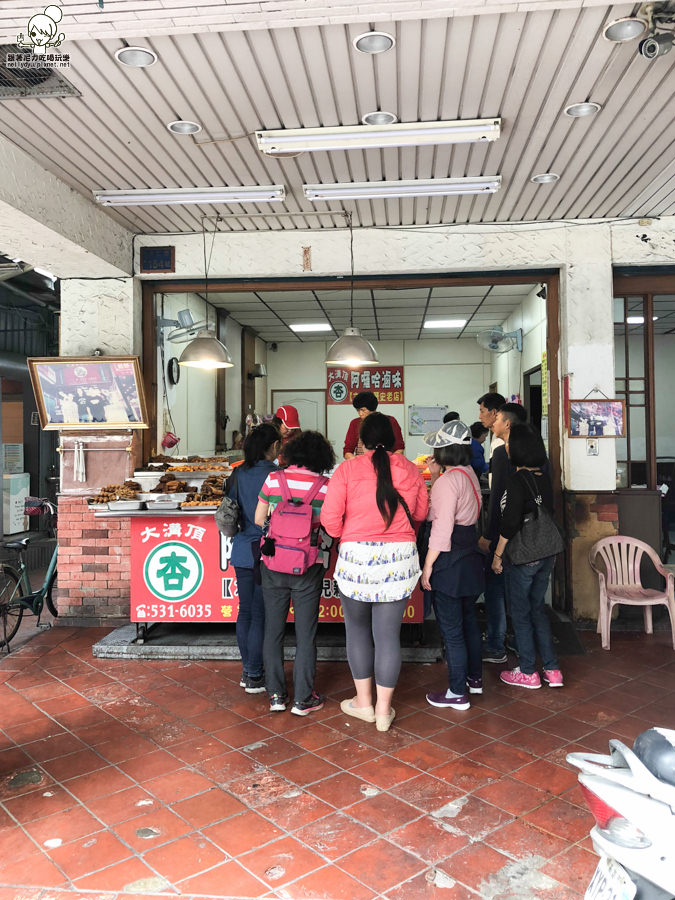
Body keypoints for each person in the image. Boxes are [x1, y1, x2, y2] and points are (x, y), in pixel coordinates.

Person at [321, 413, 428, 732]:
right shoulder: (410, 469)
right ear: (395, 441)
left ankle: (363, 703)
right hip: (398, 560)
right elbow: (422, 513)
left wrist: (348, 533)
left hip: (356, 559)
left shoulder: (347, 469)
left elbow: (329, 518)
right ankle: (383, 711)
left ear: (360, 441)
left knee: (356, 631)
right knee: (387, 636)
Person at [255, 430, 336, 716]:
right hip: (308, 566)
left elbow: (258, 518)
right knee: (306, 634)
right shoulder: (326, 486)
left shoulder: (273, 480)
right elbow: (331, 527)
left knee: (273, 631)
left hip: (273, 564)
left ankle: (276, 695)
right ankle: (303, 698)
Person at [491, 424, 563, 689]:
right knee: (537, 609)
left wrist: (498, 555)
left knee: (520, 613)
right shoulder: (543, 476)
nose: (506, 446)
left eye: (510, 442)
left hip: (525, 556)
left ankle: (529, 672)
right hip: (547, 552)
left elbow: (510, 523)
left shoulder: (517, 479)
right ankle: (553, 670)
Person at [420, 421, 484, 711]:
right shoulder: (469, 473)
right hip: (470, 555)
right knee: (468, 621)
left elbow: (441, 529)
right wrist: (435, 478)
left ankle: (457, 692)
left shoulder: (447, 482)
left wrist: (428, 566)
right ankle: (474, 678)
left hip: (450, 559)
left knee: (452, 630)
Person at [231, 424, 281, 694]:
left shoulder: (238, 473)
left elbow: (231, 506)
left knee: (245, 611)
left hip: (241, 548)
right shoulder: (276, 474)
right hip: (266, 551)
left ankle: (247, 669)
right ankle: (253, 674)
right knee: (260, 613)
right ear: (273, 446)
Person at [478, 402, 528, 665]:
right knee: (518, 591)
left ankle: (496, 645)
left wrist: (489, 535)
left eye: (495, 417)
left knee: (495, 588)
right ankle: (520, 643)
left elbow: (499, 498)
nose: (492, 421)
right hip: (528, 534)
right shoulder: (534, 451)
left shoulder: (502, 453)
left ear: (507, 423)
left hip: (504, 533)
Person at [343, 391, 404, 459]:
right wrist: (358, 463)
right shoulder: (355, 423)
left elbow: (399, 448)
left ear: (372, 408)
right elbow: (347, 451)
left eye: (363, 410)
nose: (360, 414)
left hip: (387, 464)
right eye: (358, 410)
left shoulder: (390, 421)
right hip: (362, 466)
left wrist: (390, 462)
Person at [477, 392, 506, 467]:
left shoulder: (504, 439)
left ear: (493, 412)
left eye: (482, 411)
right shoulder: (495, 436)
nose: (479, 417)